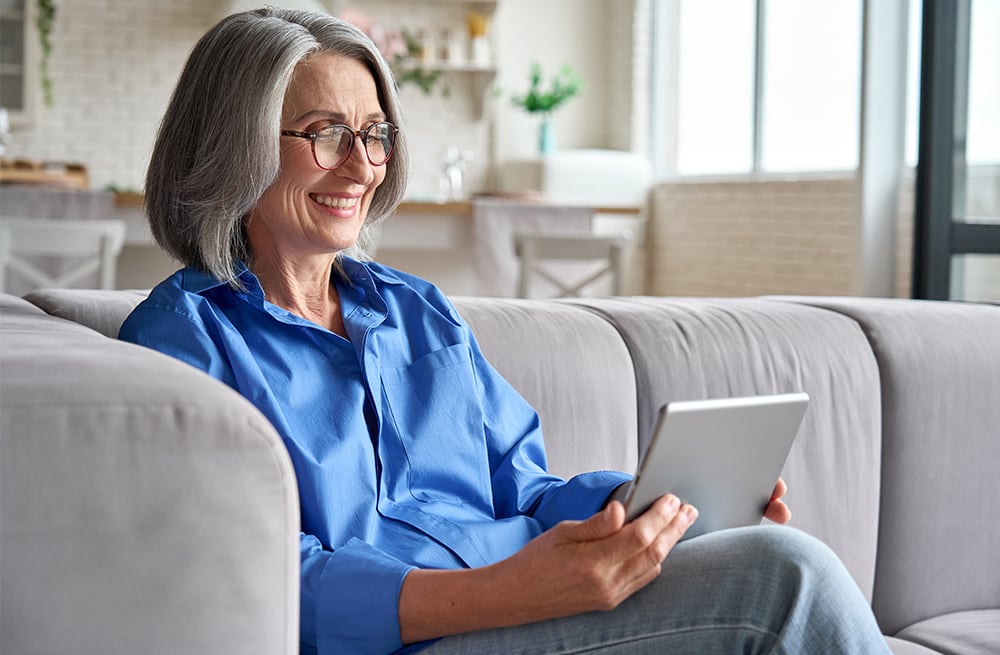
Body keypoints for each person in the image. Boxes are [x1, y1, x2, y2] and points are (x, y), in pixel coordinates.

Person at [119, 8, 891, 655]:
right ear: (234, 145)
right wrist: (498, 592)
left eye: (375, 133)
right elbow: (250, 577)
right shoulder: (182, 342)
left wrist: (645, 509)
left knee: (765, 557)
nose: (361, 166)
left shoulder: (419, 312)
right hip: (419, 637)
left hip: (531, 607)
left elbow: (526, 489)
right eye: (326, 133)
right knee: (785, 580)